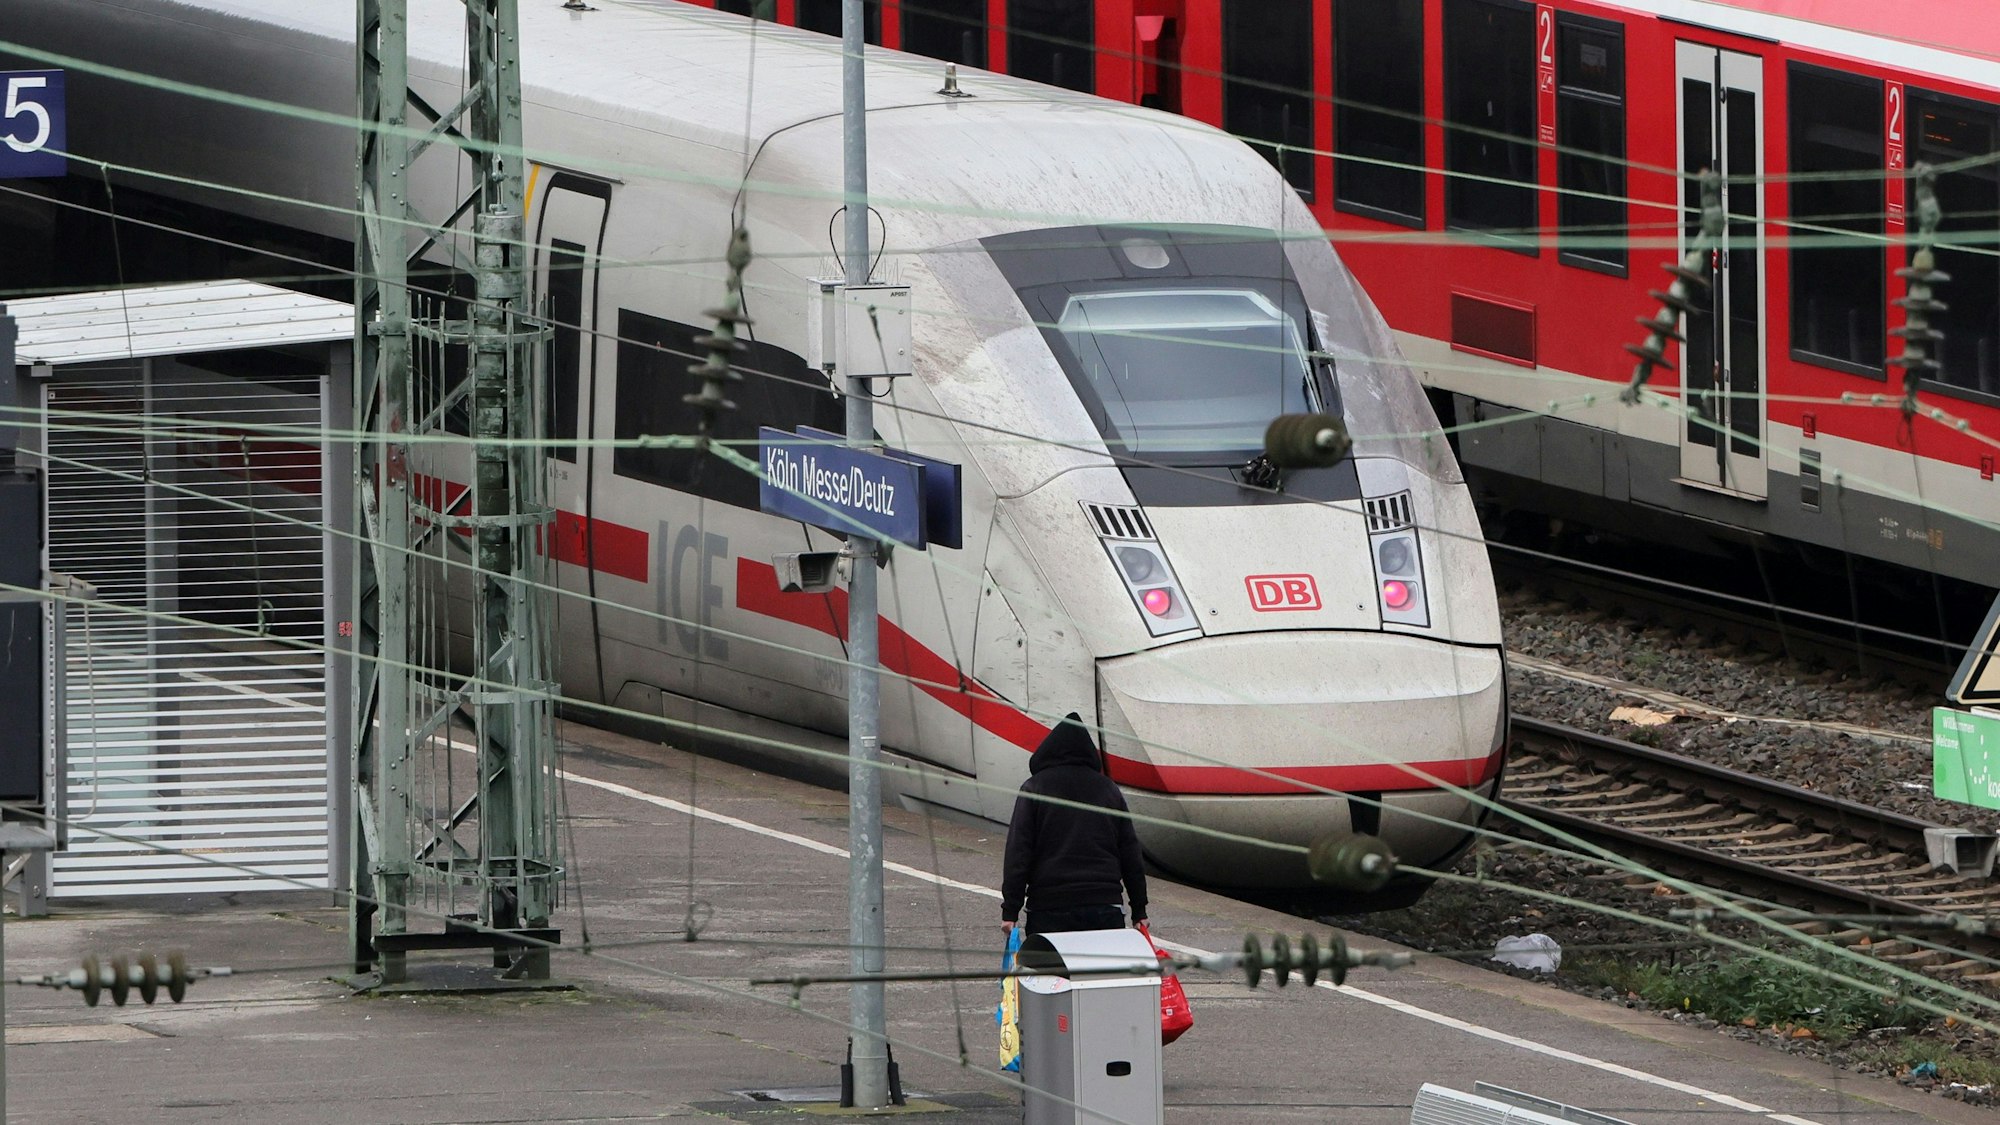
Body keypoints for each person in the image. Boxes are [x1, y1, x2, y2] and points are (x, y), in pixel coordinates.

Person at [1000, 713, 1147, 937]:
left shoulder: (1034, 788)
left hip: (1049, 908)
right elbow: (1130, 852)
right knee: (1100, 972)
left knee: (1051, 972)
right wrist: (1139, 909)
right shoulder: (1108, 789)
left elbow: (1018, 853)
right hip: (1104, 906)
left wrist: (1010, 910)